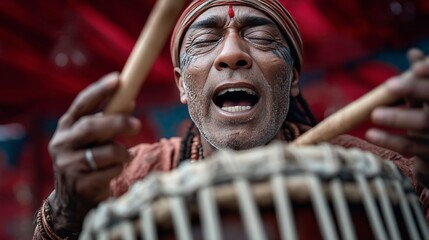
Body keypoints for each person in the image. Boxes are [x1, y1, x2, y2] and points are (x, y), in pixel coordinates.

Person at [33, 0, 429, 239]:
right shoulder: (123, 181)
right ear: (182, 86)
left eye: (260, 37)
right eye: (205, 41)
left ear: (292, 78)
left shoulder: (379, 175)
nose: (232, 54)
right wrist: (67, 212)